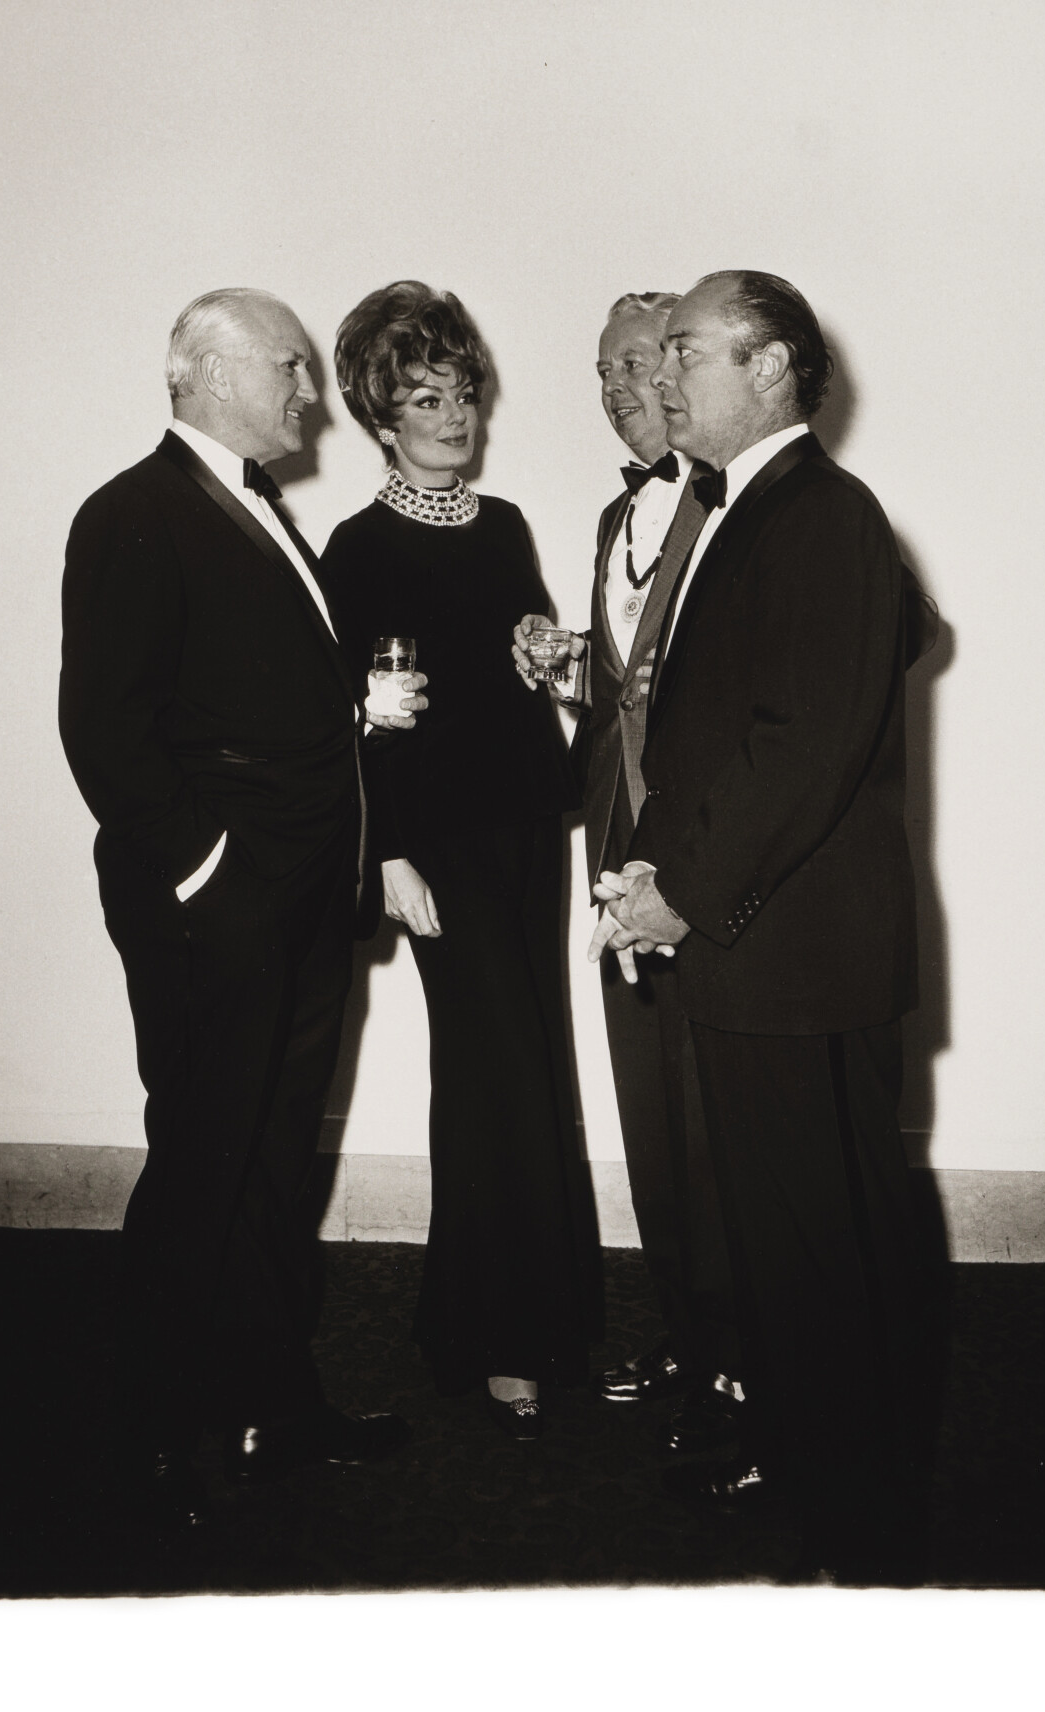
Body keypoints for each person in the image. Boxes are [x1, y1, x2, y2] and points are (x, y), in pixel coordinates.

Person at [58, 287, 423, 1525]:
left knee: (271, 1163)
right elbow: (103, 729)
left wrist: (352, 721)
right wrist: (206, 869)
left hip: (303, 901)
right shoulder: (131, 513)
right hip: (218, 906)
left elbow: (262, 693)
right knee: (208, 1163)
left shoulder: (260, 511)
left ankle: (274, 1406)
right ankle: (146, 1428)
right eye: (289, 367)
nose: (308, 393)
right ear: (206, 372)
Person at [592, 269, 938, 1562]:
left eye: (688, 351)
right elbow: (718, 733)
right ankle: (824, 1469)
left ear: (776, 367)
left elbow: (799, 747)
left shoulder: (822, 517)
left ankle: (844, 1510)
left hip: (792, 959)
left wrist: (679, 891)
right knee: (804, 1240)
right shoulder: (760, 514)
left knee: (814, 1244)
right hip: (776, 948)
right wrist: (655, 874)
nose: (664, 376)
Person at [319, 281, 601, 1438]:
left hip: (529, 828)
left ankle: (521, 1321)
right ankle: (497, 1336)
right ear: (383, 417)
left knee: (531, 1063)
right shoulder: (355, 544)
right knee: (490, 1073)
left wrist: (549, 654)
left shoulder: (505, 525)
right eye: (424, 397)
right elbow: (337, 719)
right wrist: (383, 855)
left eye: (461, 391)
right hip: (437, 846)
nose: (451, 415)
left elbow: (524, 658)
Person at [511, 294, 744, 1461]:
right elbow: (628, 689)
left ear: (685, 366)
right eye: (598, 370)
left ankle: (750, 1354)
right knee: (649, 1111)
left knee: (725, 1115)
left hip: (711, 865)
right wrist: (563, 680)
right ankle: (690, 1333)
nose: (611, 386)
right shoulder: (616, 514)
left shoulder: (747, 500)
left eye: (633, 362)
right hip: (612, 857)